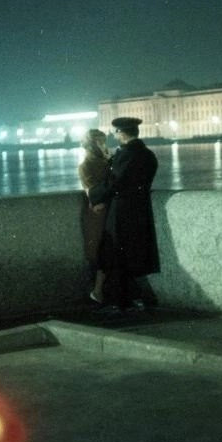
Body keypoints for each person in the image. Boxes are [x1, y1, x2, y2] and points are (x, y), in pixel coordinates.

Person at [88, 117, 160, 312]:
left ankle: (121, 302)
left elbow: (115, 182)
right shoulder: (148, 154)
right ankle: (131, 300)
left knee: (115, 252)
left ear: (121, 133)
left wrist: (93, 194)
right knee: (133, 254)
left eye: (116, 132)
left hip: (122, 210)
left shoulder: (127, 155)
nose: (114, 135)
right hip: (141, 209)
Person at [77, 129, 111, 303]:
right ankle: (98, 292)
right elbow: (92, 192)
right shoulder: (86, 165)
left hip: (104, 210)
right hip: (97, 213)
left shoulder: (106, 161)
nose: (103, 145)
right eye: (100, 141)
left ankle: (100, 292)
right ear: (92, 144)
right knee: (98, 250)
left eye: (103, 141)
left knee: (105, 250)